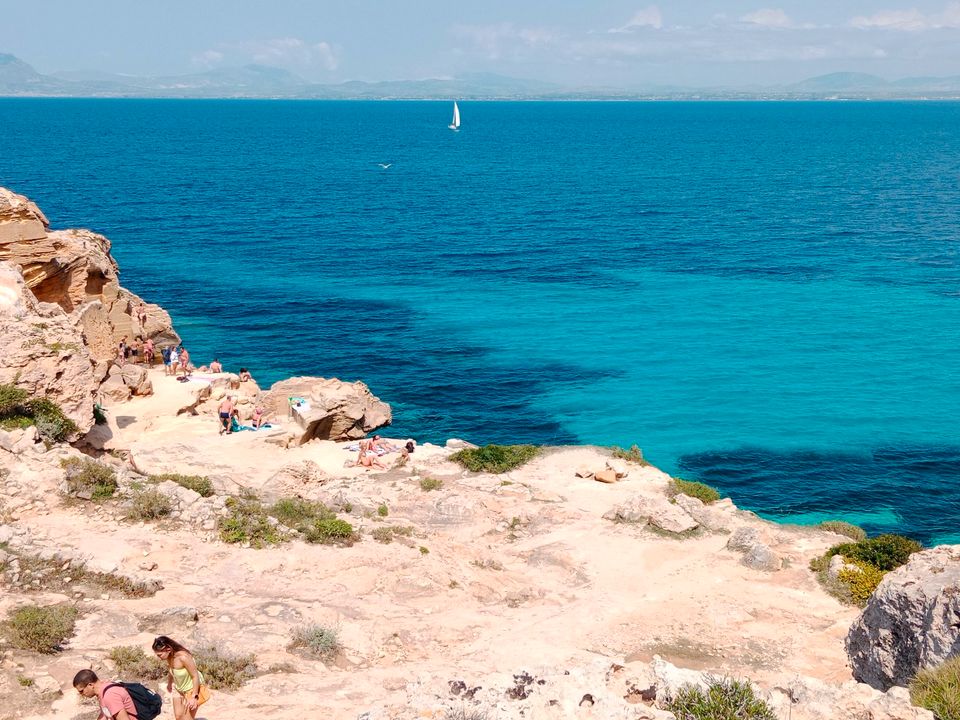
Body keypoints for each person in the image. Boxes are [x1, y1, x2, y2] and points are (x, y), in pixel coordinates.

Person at [152, 636, 208, 720]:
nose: (159, 657)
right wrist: (169, 683)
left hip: (191, 689)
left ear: (168, 649)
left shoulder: (183, 657)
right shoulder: (169, 656)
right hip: (178, 688)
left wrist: (194, 697)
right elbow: (172, 669)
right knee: (178, 716)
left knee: (187, 718)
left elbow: (195, 676)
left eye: (159, 655)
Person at [73, 668, 137, 720]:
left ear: (90, 685)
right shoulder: (102, 690)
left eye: (81, 691)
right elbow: (105, 714)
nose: (81, 694)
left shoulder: (109, 695)